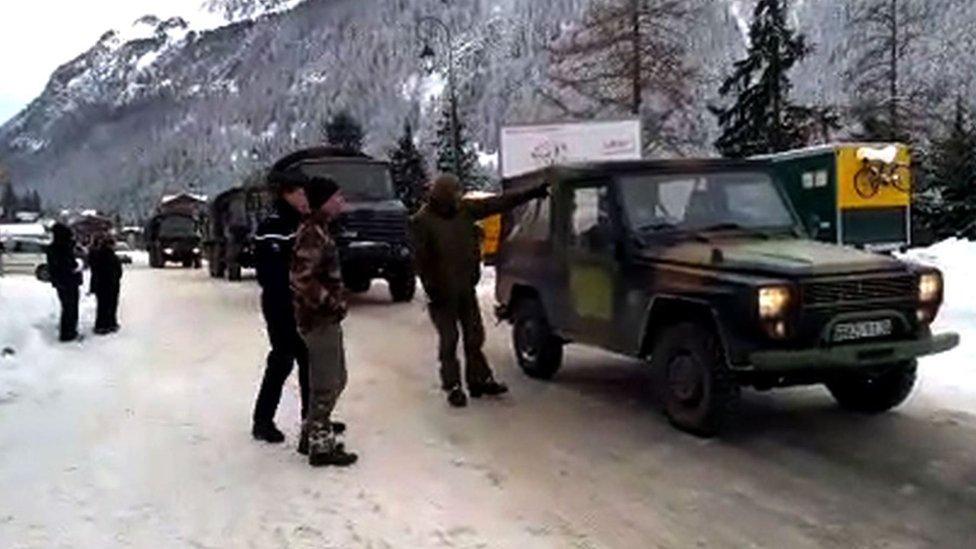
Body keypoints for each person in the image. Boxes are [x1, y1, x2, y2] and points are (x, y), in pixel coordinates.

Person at [410, 174, 548, 408]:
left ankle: (478, 379)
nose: (458, 197)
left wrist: (532, 192)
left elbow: (499, 203)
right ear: (443, 195)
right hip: (442, 293)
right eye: (454, 193)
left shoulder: (465, 210)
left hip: (465, 286)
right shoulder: (422, 221)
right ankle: (452, 385)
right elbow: (420, 261)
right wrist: (432, 289)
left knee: (474, 337)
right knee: (449, 340)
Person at [290, 176, 357, 467]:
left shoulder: (320, 229)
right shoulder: (312, 233)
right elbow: (301, 278)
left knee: (336, 378)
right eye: (337, 197)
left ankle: (310, 434)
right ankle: (320, 444)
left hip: (324, 317)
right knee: (327, 382)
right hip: (318, 319)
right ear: (324, 201)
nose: (342, 202)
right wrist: (332, 301)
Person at [251, 170, 316, 445]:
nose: (305, 199)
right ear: (286, 195)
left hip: (300, 303)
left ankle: (312, 419)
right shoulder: (273, 227)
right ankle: (262, 421)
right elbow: (271, 272)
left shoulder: (301, 222)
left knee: (308, 360)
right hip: (280, 304)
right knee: (282, 360)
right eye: (300, 193)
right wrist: (290, 295)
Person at [46, 223, 83, 342]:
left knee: (67, 307)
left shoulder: (52, 248)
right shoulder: (63, 248)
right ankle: (69, 333)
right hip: (69, 281)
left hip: (60, 282)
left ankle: (68, 331)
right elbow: (68, 264)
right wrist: (77, 265)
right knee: (71, 308)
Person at [88, 234, 122, 335]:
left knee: (102, 305)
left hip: (100, 284)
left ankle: (102, 325)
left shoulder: (97, 254)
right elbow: (118, 271)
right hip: (111, 284)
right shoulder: (111, 256)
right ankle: (109, 324)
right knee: (111, 305)